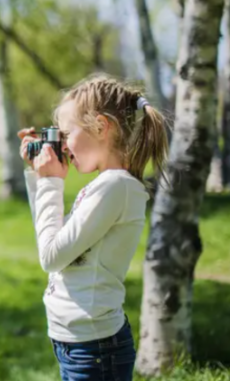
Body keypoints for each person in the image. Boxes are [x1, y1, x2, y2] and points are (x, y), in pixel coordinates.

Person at [18, 75, 169, 381]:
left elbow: (51, 256)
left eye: (66, 133)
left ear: (101, 126)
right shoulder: (106, 186)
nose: (62, 144)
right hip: (78, 343)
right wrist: (40, 177)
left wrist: (50, 181)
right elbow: (51, 240)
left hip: (94, 349)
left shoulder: (116, 187)